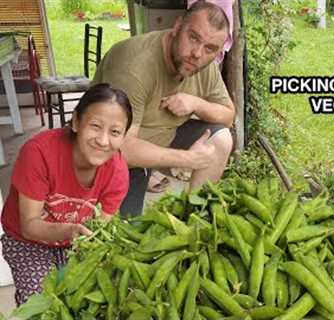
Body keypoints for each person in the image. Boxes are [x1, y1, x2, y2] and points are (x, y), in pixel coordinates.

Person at [92, 0, 236, 217]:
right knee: (121, 237)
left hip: (163, 135)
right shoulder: (135, 66)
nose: (197, 53)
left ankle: (194, 216)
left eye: (210, 48)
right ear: (177, 27)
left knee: (221, 139)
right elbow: (120, 149)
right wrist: (186, 159)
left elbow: (228, 114)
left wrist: (196, 103)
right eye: (193, 37)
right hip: (111, 155)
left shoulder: (203, 64)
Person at [0, 83, 132, 305]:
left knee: (88, 302)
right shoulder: (40, 153)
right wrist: (70, 230)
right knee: (40, 303)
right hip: (27, 240)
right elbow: (29, 225)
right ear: (76, 121)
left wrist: (82, 240)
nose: (103, 140)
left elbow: (99, 229)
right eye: (96, 126)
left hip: (75, 242)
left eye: (115, 132)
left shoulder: (117, 173)